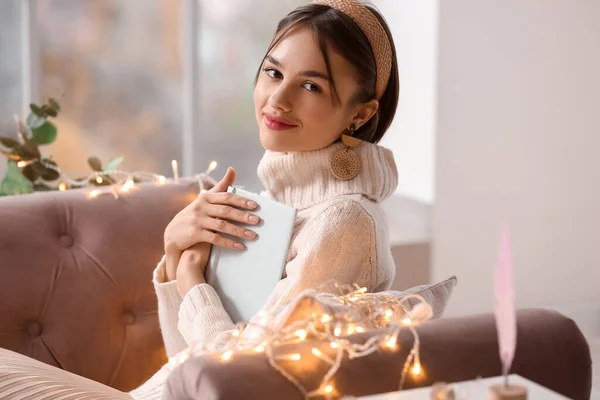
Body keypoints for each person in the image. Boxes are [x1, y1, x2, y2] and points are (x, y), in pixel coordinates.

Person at [0, 0, 400, 398]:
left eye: (312, 85)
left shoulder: (345, 222)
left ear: (360, 115)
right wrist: (177, 256)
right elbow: (187, 361)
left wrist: (192, 281)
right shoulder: (276, 205)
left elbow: (245, 383)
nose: (278, 99)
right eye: (273, 72)